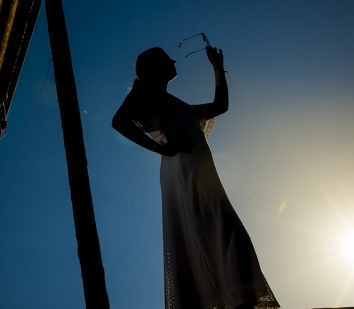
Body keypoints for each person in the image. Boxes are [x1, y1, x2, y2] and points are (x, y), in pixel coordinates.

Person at [112, 46, 279, 309]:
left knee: (221, 232)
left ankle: (237, 300)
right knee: (226, 233)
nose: (175, 60)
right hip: (184, 170)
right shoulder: (143, 92)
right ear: (153, 67)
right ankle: (237, 300)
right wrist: (160, 147)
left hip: (202, 172)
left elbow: (220, 106)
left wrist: (217, 67)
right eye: (168, 58)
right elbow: (119, 121)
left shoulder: (182, 106)